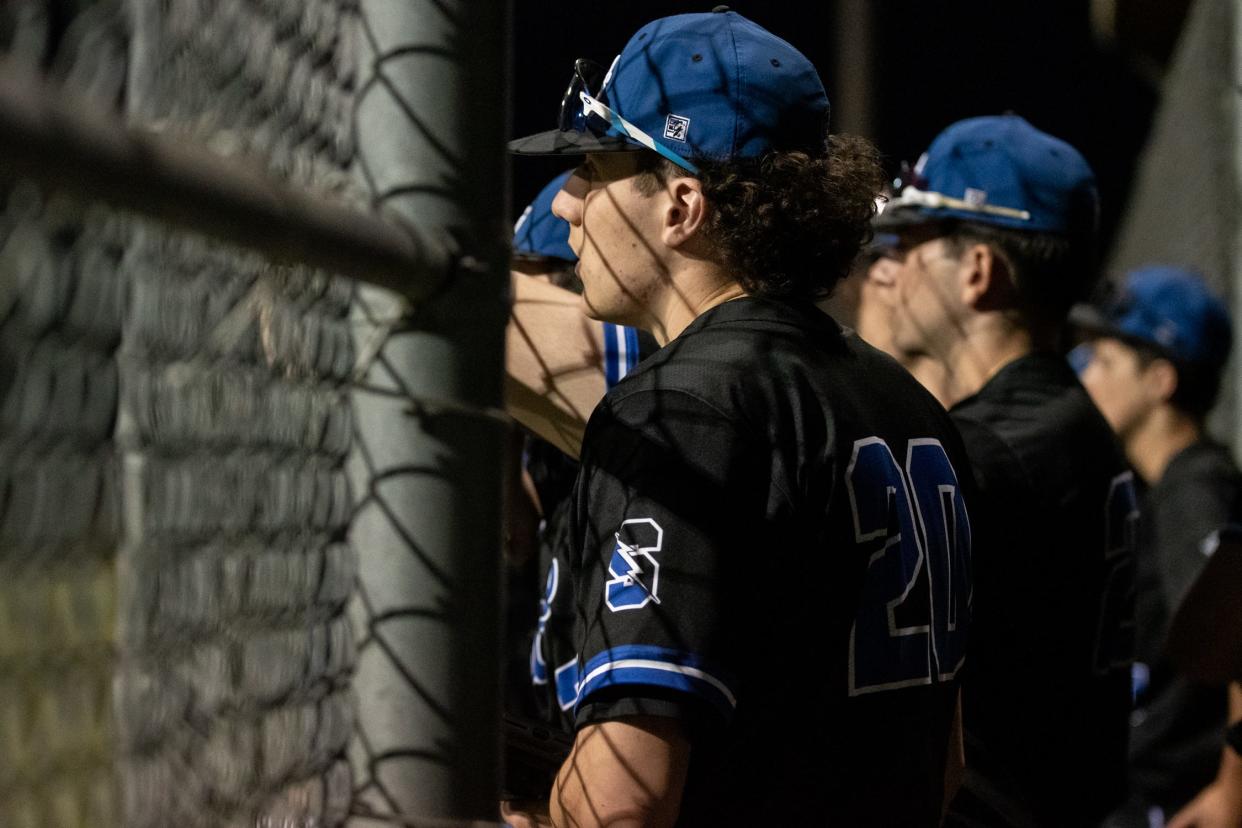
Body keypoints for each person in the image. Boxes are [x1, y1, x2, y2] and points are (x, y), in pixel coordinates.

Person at [505, 9, 973, 826]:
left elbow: (625, 800)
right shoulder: (908, 403)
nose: (571, 205)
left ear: (680, 206)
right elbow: (948, 763)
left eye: (593, 168)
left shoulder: (680, 405)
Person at [870, 114, 1137, 826]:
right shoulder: (1063, 419)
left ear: (979, 272)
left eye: (912, 241)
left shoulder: (993, 449)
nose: (886, 268)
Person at [1072, 265, 1242, 826]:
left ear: (1160, 381)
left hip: (1176, 800)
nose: (1088, 378)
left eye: (1106, 361)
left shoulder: (1192, 490)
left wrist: (1232, 789)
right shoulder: (1160, 485)